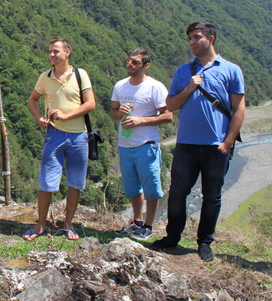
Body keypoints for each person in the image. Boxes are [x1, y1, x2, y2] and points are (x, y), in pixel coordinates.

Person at [151, 22, 245, 262]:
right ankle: (172, 238)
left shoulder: (231, 70)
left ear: (211, 39)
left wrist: (228, 142)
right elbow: (170, 105)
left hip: (217, 146)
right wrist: (190, 88)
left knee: (212, 196)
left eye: (197, 37)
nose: (192, 42)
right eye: (190, 39)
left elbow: (238, 109)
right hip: (186, 145)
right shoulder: (183, 71)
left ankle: (204, 243)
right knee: (177, 194)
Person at [26, 38, 95, 241]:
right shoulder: (44, 77)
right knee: (46, 182)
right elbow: (33, 99)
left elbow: (91, 104)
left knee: (75, 182)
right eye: (49, 52)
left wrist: (67, 115)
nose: (52, 55)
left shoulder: (80, 75)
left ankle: (68, 224)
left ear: (67, 52)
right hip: (54, 135)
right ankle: (40, 225)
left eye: (56, 51)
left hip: (79, 135)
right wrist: (38, 118)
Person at [109, 49, 172, 241]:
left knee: (151, 187)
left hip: (146, 144)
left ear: (146, 65)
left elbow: (168, 116)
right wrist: (119, 112)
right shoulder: (120, 86)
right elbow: (112, 112)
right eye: (129, 61)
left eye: (135, 62)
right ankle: (136, 222)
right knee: (132, 188)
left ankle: (148, 225)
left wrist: (140, 121)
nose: (130, 65)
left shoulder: (155, 87)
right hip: (125, 144)